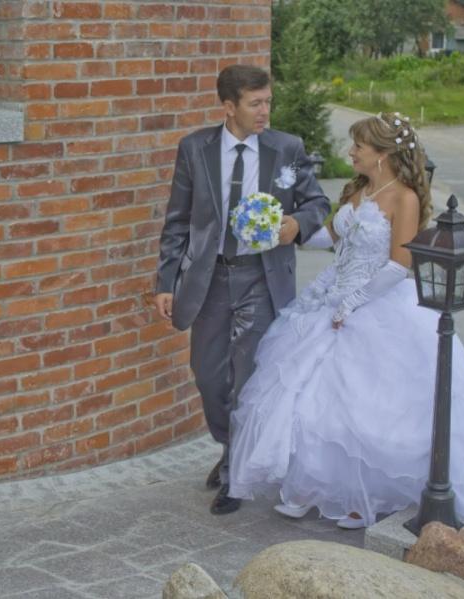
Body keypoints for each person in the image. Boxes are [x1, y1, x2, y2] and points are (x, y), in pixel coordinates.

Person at [228, 112, 464, 528]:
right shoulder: (360, 189)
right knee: (310, 401)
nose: (351, 152)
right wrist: (282, 230)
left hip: (378, 304)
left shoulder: (405, 198)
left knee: (365, 410)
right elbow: (331, 236)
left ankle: (362, 498)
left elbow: (400, 264)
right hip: (330, 296)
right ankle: (311, 486)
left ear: (382, 154)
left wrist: (354, 303)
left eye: (358, 146)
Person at [153, 65, 330, 515]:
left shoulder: (287, 148)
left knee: (247, 380)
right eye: (255, 103)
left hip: (261, 278)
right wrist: (166, 281)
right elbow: (177, 220)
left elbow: (317, 203)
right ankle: (229, 444)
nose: (265, 111)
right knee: (208, 376)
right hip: (210, 279)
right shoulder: (195, 148)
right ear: (229, 107)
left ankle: (236, 472)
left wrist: (296, 224)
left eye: (268, 101)